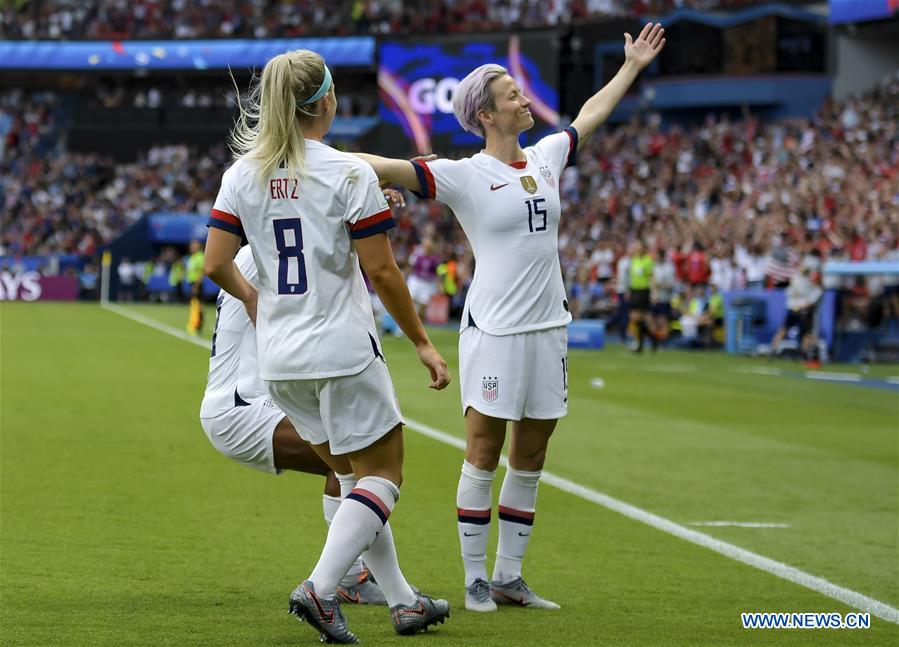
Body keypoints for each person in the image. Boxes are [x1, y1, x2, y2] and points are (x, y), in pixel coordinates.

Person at [355, 23, 665, 612]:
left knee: (532, 454)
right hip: (493, 331)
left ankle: (508, 576)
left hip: (550, 328)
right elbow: (386, 165)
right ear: (488, 115)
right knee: (482, 451)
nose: (525, 100)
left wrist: (631, 67)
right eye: (513, 96)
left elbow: (589, 116)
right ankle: (474, 580)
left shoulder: (547, 156)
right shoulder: (464, 175)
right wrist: (315, 157)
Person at [203, 49, 451, 644]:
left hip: (283, 360)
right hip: (340, 348)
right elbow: (384, 274)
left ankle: (404, 603)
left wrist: (257, 301)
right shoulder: (347, 172)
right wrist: (422, 343)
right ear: (328, 101)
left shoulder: (243, 173)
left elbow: (215, 263)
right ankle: (318, 588)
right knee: (383, 475)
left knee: (350, 479)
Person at [200, 245, 386, 606]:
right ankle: (349, 578)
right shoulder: (264, 252)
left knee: (359, 462)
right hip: (242, 407)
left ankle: (360, 572)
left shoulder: (254, 253)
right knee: (352, 460)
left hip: (242, 401)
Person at [628, 240, 656, 352]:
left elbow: (651, 276)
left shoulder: (647, 260)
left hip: (643, 290)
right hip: (634, 290)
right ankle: (647, 340)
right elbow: (633, 277)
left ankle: (643, 342)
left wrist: (654, 292)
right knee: (637, 318)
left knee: (642, 318)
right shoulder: (634, 260)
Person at [186, 239, 205, 334]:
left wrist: (196, 286)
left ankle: (198, 325)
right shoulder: (192, 257)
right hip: (192, 283)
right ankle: (194, 324)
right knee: (194, 304)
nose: (192, 247)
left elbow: (201, 272)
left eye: (194, 245)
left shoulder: (199, 257)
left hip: (196, 284)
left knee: (198, 305)